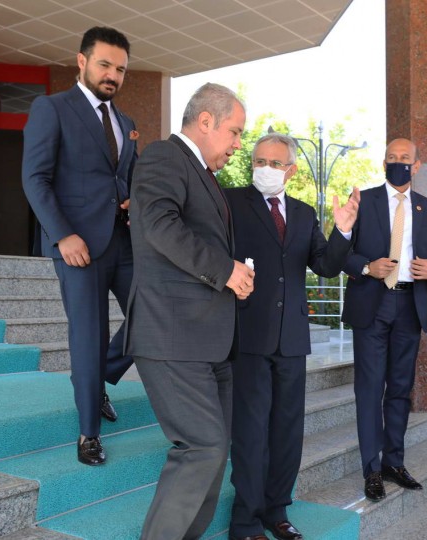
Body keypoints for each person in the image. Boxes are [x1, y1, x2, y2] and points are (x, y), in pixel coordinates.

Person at [125, 83, 255, 540]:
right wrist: (225, 269)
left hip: (208, 342)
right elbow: (159, 226)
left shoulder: (202, 173)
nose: (238, 144)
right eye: (235, 132)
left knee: (213, 454)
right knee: (202, 447)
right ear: (205, 121)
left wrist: (233, 275)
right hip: (173, 336)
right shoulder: (164, 156)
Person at [225, 133, 360, 540]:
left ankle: (276, 510)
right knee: (251, 432)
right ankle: (246, 521)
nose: (265, 169)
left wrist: (343, 231)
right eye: (259, 161)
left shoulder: (303, 213)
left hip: (292, 338)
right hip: (248, 334)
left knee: (287, 430)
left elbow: (325, 266)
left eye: (274, 163)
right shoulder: (231, 203)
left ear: (291, 170)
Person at [22, 26, 137, 466]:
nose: (113, 75)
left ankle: (98, 376)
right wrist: (62, 234)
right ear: (82, 61)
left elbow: (122, 177)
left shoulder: (125, 123)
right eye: (105, 64)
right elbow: (35, 178)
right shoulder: (52, 108)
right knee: (88, 335)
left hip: (123, 240)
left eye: (120, 69)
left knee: (152, 311)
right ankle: (89, 431)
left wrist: (132, 197)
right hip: (77, 245)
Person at [341, 138, 427, 502]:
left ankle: (394, 462)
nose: (398, 162)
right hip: (372, 304)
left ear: (417, 166)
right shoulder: (363, 201)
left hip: (410, 305)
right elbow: (339, 252)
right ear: (383, 163)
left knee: (401, 389)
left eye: (405, 158)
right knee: (370, 390)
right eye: (392, 157)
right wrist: (366, 267)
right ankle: (371, 469)